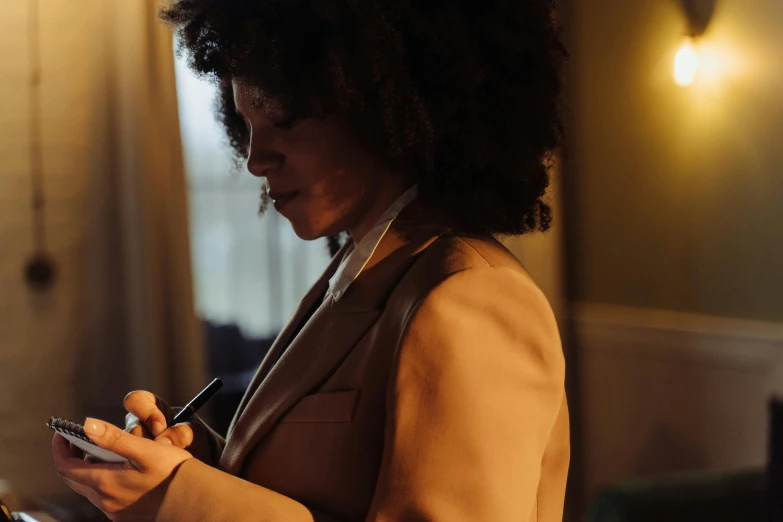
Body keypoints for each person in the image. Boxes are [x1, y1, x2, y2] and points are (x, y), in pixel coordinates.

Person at [51, 0, 569, 520]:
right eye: (245, 123)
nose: (255, 159)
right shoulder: (360, 272)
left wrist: (178, 498)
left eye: (284, 119)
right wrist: (192, 463)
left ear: (382, 106)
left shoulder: (473, 297)